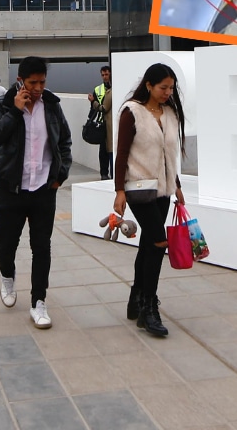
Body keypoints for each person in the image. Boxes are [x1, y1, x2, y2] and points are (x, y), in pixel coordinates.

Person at [0, 56, 72, 330]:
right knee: (6, 244)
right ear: (20, 80)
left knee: (41, 247)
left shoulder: (52, 106)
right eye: (33, 83)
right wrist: (15, 111)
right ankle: (7, 277)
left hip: (44, 188)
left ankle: (39, 302)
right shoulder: (3, 103)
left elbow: (64, 141)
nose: (38, 88)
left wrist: (60, 175)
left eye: (42, 82)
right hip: (11, 188)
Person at [113, 63, 186, 337]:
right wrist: (119, 190)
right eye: (163, 87)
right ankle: (149, 308)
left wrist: (176, 185)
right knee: (158, 242)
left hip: (163, 190)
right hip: (139, 188)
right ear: (148, 85)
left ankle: (136, 298)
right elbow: (121, 154)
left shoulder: (170, 113)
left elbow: (169, 154)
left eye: (171, 88)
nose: (168, 93)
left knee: (148, 245)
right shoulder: (132, 112)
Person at [87, 64, 113, 180]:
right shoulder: (98, 89)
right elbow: (93, 108)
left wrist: (94, 102)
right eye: (103, 75)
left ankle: (112, 173)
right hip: (102, 123)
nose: (105, 77)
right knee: (103, 150)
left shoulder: (115, 87)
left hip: (112, 123)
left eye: (106, 74)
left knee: (111, 149)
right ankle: (104, 173)